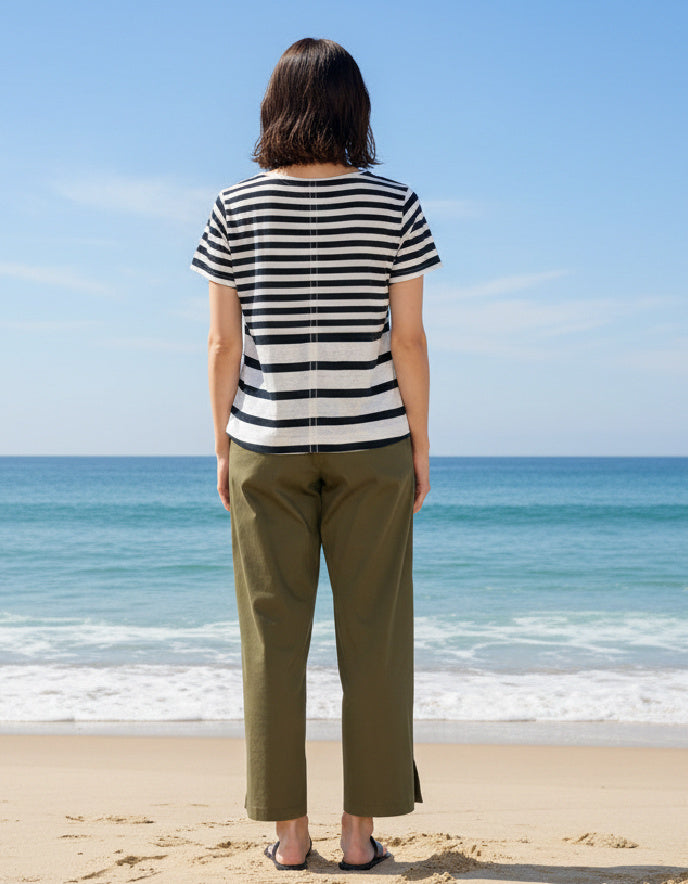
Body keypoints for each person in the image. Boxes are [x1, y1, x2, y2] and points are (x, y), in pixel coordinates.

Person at [190, 37, 442, 873]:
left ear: (275, 105)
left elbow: (223, 345)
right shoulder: (394, 203)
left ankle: (288, 837)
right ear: (355, 109)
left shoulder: (234, 204)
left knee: (272, 640)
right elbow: (407, 338)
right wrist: (421, 440)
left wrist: (221, 443)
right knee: (375, 638)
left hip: (264, 440)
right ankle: (359, 834)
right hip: (373, 439)